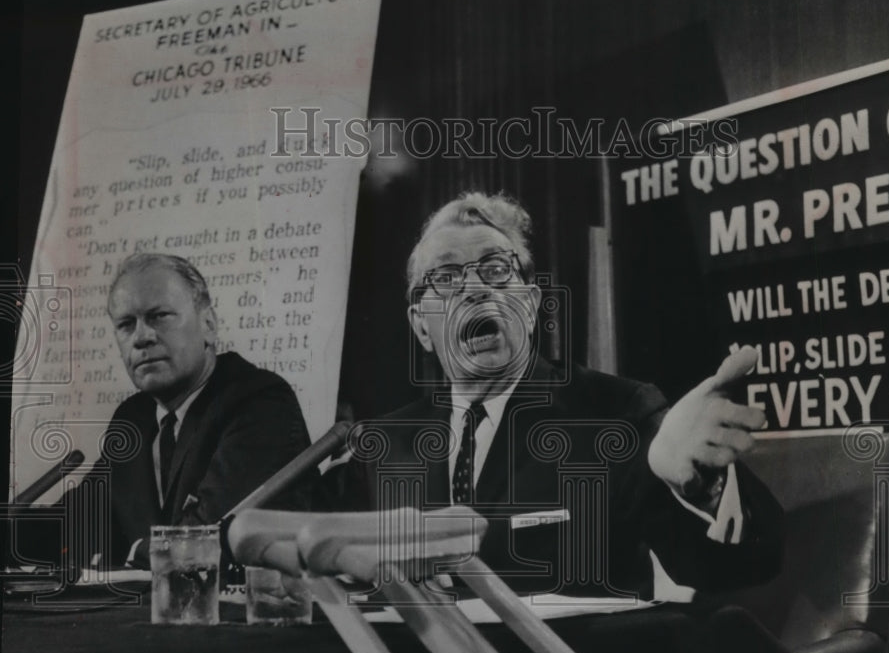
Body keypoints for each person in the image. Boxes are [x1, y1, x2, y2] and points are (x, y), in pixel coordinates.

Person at [330, 192, 782, 598]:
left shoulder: (617, 415)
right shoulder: (381, 448)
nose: (474, 288)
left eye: (495, 269)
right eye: (446, 277)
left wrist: (701, 488)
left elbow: (742, 565)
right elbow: (324, 575)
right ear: (420, 326)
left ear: (528, 304)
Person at [11, 253, 314, 573]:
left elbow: (204, 542)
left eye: (159, 316)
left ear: (209, 325)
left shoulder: (259, 401)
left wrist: (131, 552)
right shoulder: (134, 418)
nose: (141, 337)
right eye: (126, 325)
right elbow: (75, 525)